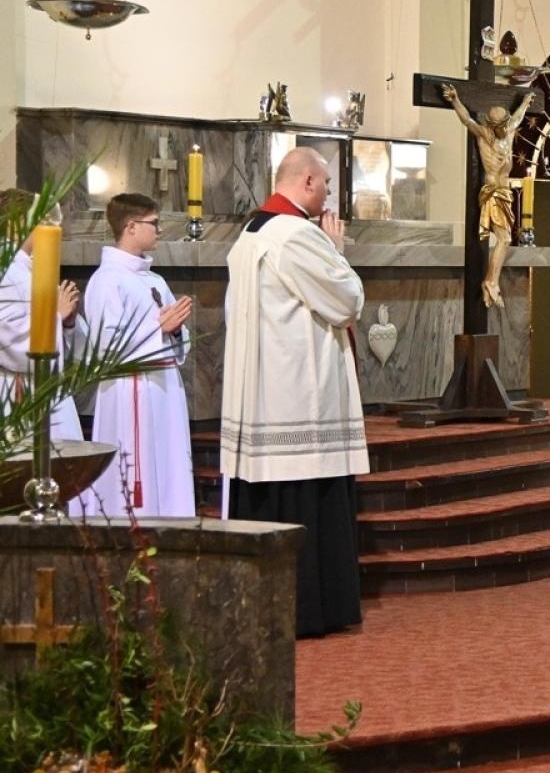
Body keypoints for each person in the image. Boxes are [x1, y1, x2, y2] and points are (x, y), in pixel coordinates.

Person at [221, 147, 367, 638]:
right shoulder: (297, 235)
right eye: (326, 184)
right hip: (299, 394)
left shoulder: (250, 233)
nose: (328, 194)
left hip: (264, 393)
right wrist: (337, 251)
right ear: (307, 181)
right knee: (308, 493)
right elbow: (346, 301)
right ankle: (311, 607)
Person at [82, 193, 195, 519]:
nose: (159, 230)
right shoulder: (107, 281)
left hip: (164, 388)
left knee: (169, 464)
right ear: (131, 227)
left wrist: (175, 331)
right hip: (131, 390)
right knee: (136, 467)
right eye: (153, 223)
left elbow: (176, 334)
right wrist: (159, 327)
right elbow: (106, 345)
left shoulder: (154, 279)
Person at [440, 83, 535, 309]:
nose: (505, 127)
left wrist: (525, 102)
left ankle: (491, 281)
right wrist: (454, 100)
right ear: (492, 125)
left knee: (505, 239)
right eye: (501, 125)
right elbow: (467, 120)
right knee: (505, 239)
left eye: (505, 123)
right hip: (493, 192)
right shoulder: (484, 135)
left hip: (505, 193)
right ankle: (491, 282)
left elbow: (518, 118)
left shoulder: (508, 133)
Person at [0, 188, 84, 443]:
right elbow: (7, 336)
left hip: (43, 386)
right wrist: (56, 316)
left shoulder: (27, 269)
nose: (49, 228)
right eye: (41, 220)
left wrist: (67, 322)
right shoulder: (6, 270)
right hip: (19, 391)